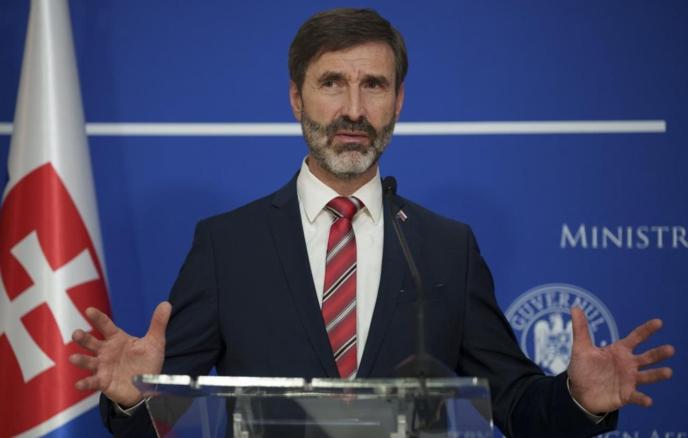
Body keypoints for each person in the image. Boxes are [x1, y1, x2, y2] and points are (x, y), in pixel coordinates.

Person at [69, 8, 675, 437]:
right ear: (296, 98)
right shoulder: (227, 246)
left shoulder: (446, 248)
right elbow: (163, 415)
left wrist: (577, 398)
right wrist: (132, 398)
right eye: (332, 83)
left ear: (399, 101)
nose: (354, 110)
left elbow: (513, 404)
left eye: (374, 85)